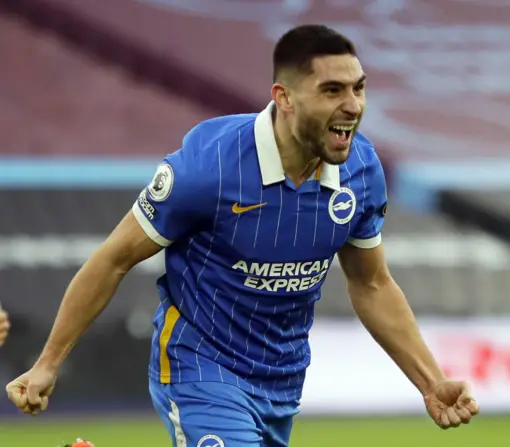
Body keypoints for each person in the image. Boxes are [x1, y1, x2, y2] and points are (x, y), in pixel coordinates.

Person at [5, 24, 479, 445]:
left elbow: (372, 285)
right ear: (284, 97)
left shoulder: (361, 171)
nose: (352, 106)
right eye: (333, 90)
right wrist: (48, 363)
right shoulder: (207, 165)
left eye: (358, 88)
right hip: (197, 368)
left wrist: (430, 382)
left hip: (282, 381)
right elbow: (113, 259)